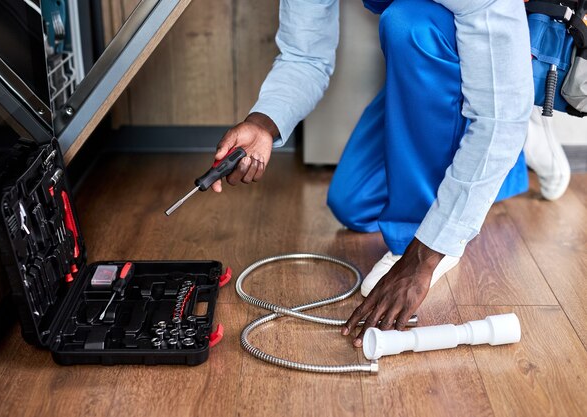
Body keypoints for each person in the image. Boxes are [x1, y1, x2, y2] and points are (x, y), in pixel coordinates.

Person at [211, 0, 534, 347]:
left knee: (409, 25)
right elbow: (304, 57)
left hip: (498, 53)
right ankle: (503, 164)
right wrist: (263, 124)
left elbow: (500, 119)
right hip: (447, 60)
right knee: (354, 202)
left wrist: (422, 256)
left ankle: (422, 228)